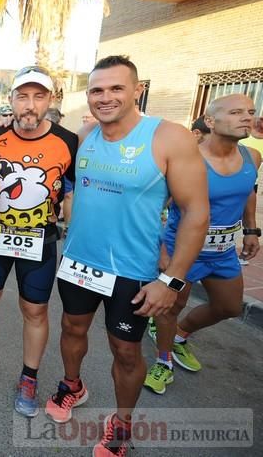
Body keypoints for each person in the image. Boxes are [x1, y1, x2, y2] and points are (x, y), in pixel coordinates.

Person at [45, 55, 208, 456]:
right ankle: (72, 385)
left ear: (137, 90)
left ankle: (122, 424)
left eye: (117, 88)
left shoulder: (169, 137)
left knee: (126, 350)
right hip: (79, 262)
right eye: (97, 89)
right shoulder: (85, 135)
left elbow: (196, 213)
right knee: (71, 330)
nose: (106, 97)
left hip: (133, 272)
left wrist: (171, 280)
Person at [0, 66, 77, 418]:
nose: (30, 105)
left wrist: (71, 223)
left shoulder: (69, 141)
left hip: (39, 240)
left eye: (39, 96)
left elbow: (73, 192)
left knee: (35, 309)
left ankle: (29, 376)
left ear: (51, 100)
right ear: (11, 100)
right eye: (22, 96)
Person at [145, 94, 260, 394]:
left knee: (229, 307)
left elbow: (248, 192)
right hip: (183, 250)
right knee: (170, 308)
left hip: (222, 252)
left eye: (250, 111)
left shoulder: (253, 157)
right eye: (236, 112)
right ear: (210, 121)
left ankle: (181, 335)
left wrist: (251, 229)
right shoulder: (188, 158)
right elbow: (158, 207)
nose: (246, 118)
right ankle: (163, 361)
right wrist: (162, 250)